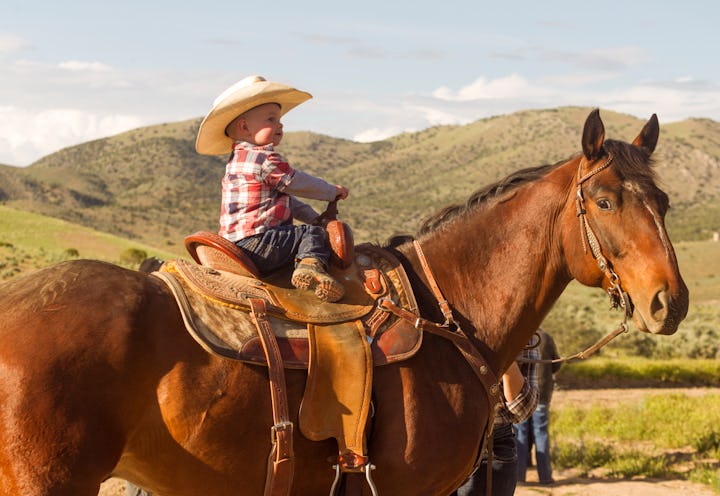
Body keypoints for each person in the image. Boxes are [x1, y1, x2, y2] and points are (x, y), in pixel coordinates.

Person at [195, 75, 349, 302]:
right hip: (260, 242)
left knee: (310, 229)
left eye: (279, 119)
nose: (280, 125)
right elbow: (295, 182)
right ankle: (309, 267)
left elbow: (288, 202)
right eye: (271, 119)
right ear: (244, 127)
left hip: (237, 243)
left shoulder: (236, 162)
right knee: (313, 235)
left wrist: (314, 217)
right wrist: (330, 191)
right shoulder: (263, 159)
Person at [451, 344, 539, 496]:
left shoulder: (525, 331)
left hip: (492, 445)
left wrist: (505, 355)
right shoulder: (437, 321)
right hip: (435, 444)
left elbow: (522, 409)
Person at [515, 329, 561, 485]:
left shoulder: (520, 336)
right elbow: (557, 363)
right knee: (541, 433)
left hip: (522, 395)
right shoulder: (546, 337)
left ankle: (519, 477)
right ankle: (545, 477)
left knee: (520, 434)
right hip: (542, 394)